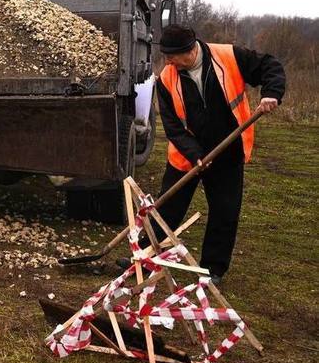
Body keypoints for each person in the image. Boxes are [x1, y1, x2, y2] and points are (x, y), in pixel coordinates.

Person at [120, 24, 286, 285]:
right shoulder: (166, 77)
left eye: (172, 56)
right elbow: (173, 126)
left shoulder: (230, 57)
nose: (168, 62)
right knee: (167, 209)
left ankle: (213, 269)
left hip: (228, 151)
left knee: (224, 211)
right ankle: (145, 256)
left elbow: (270, 65)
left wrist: (272, 93)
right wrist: (195, 153)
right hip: (187, 153)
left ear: (189, 51)